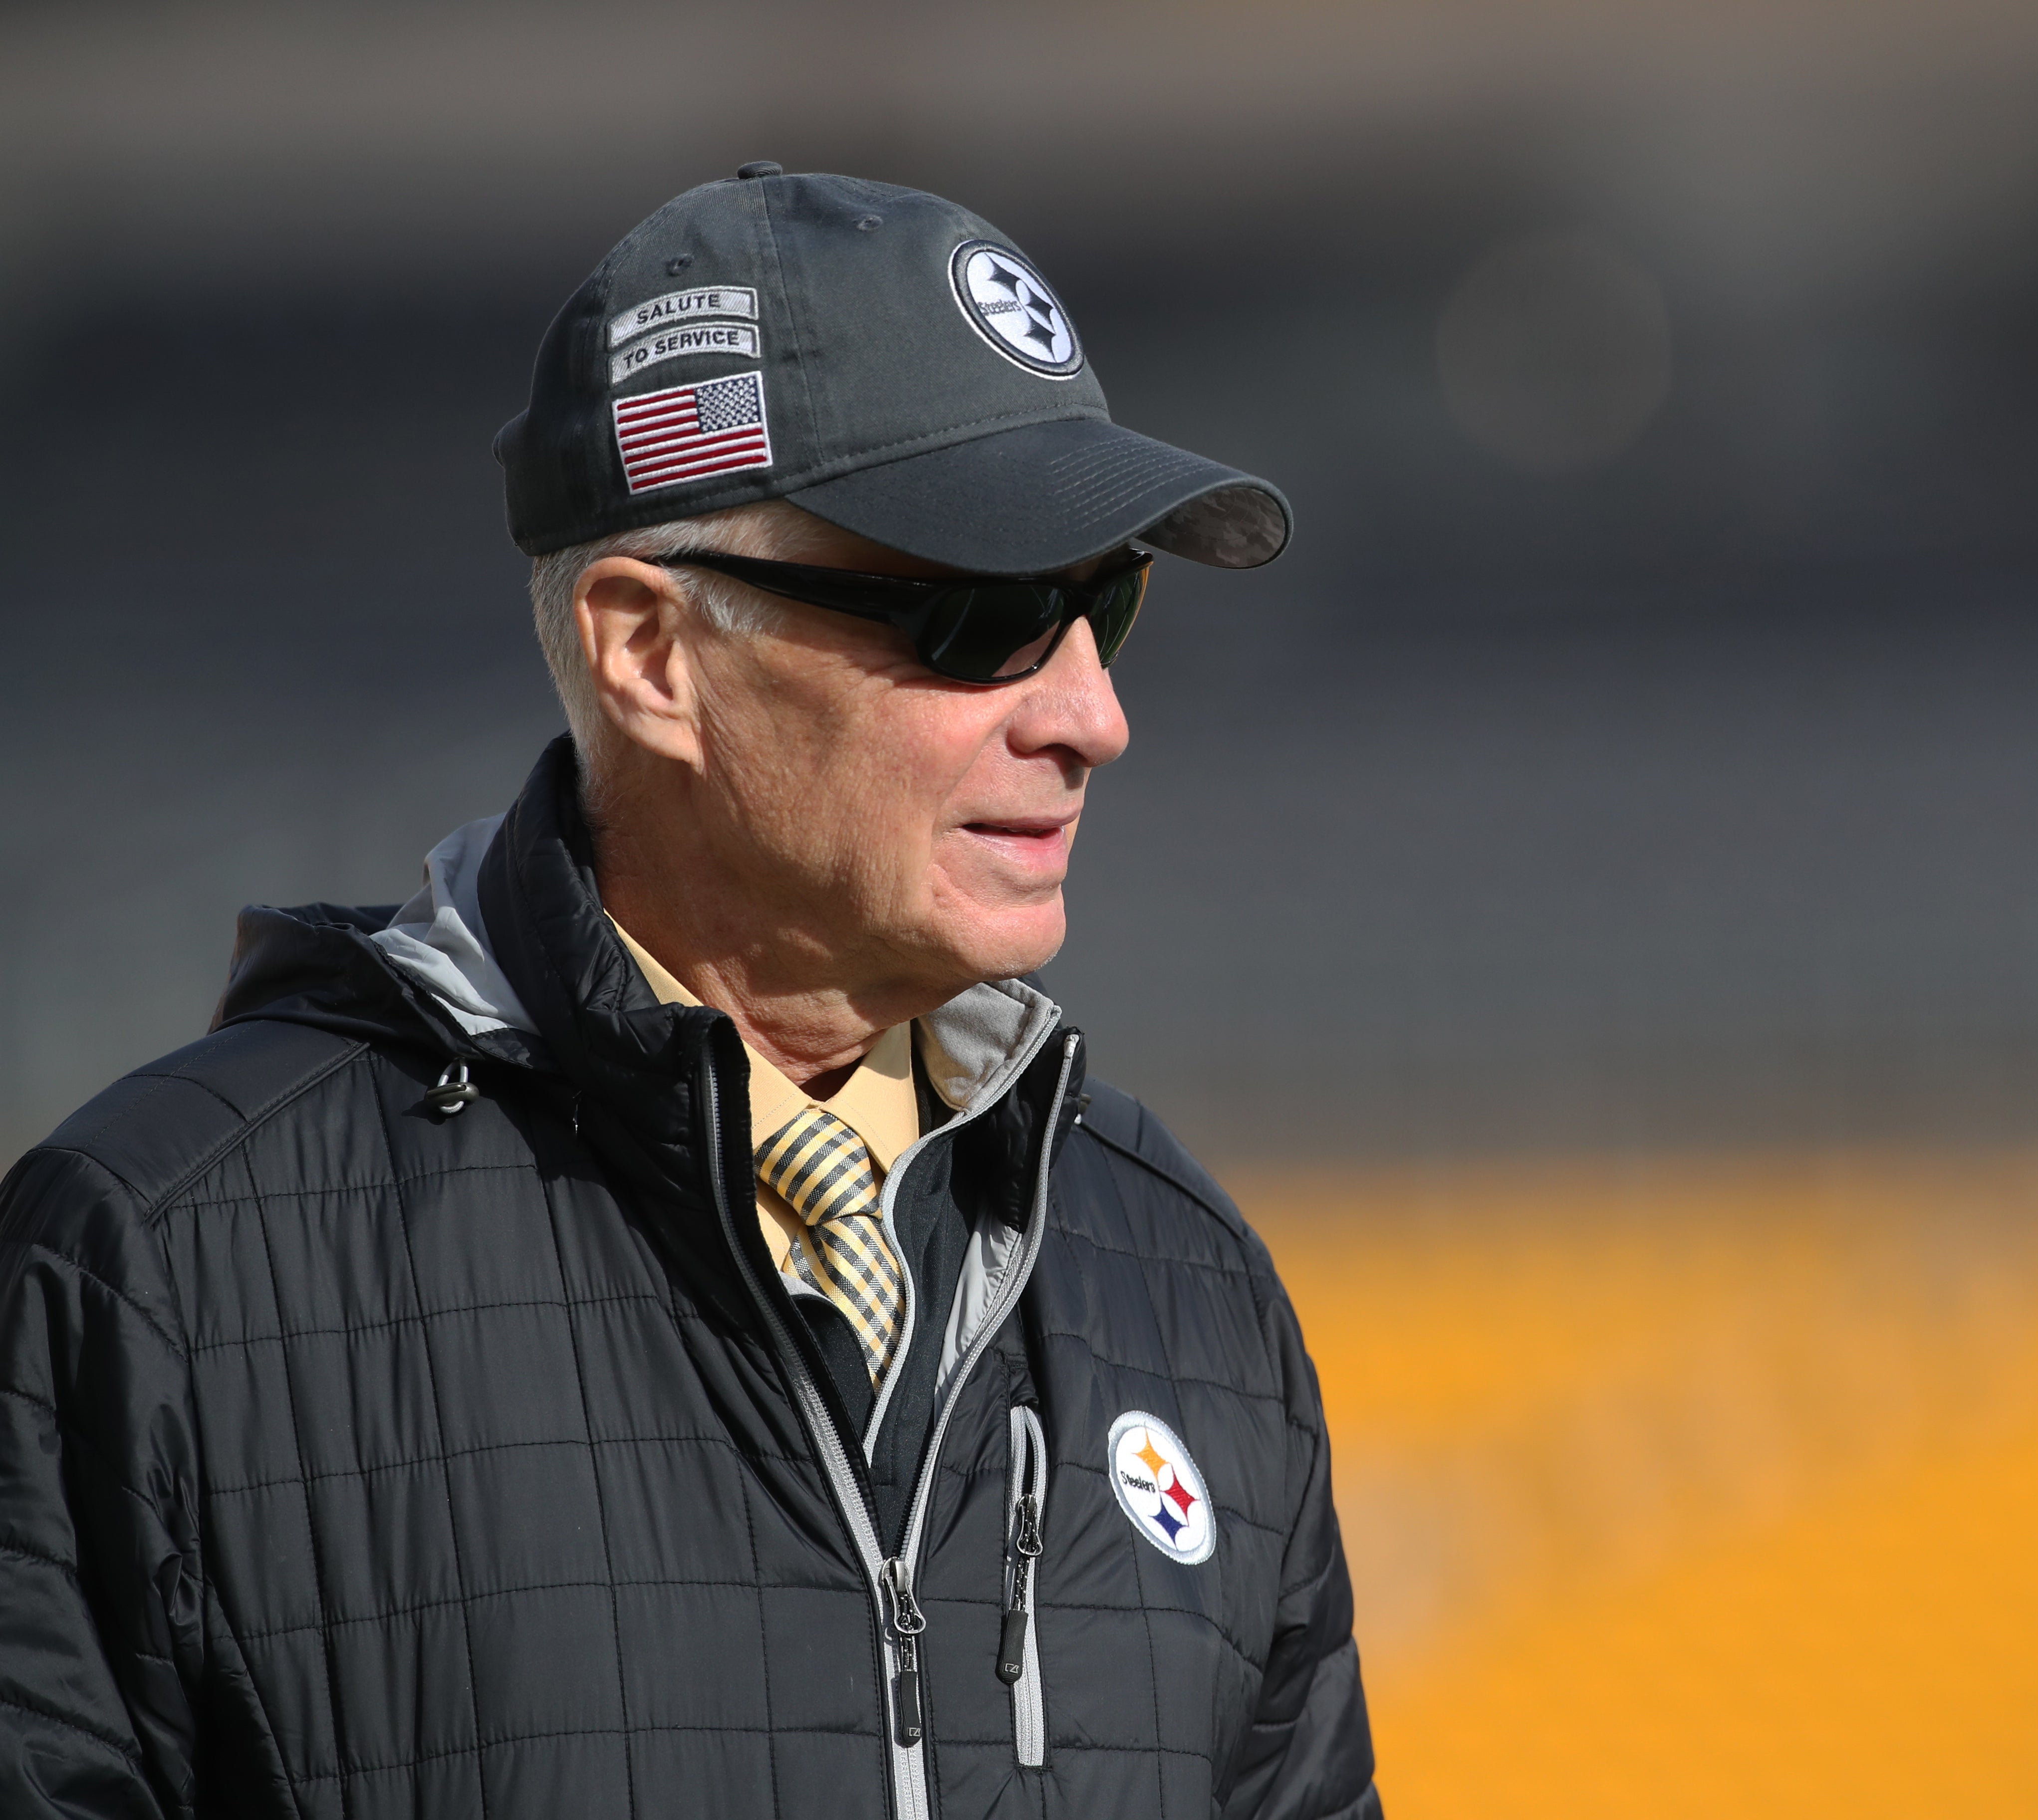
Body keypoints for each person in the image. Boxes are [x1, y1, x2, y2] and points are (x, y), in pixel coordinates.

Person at [0, 166, 1375, 1820]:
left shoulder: (1186, 1285)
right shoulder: (156, 1268)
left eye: (1107, 603)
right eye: (991, 613)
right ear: (651, 654)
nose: (1092, 714)